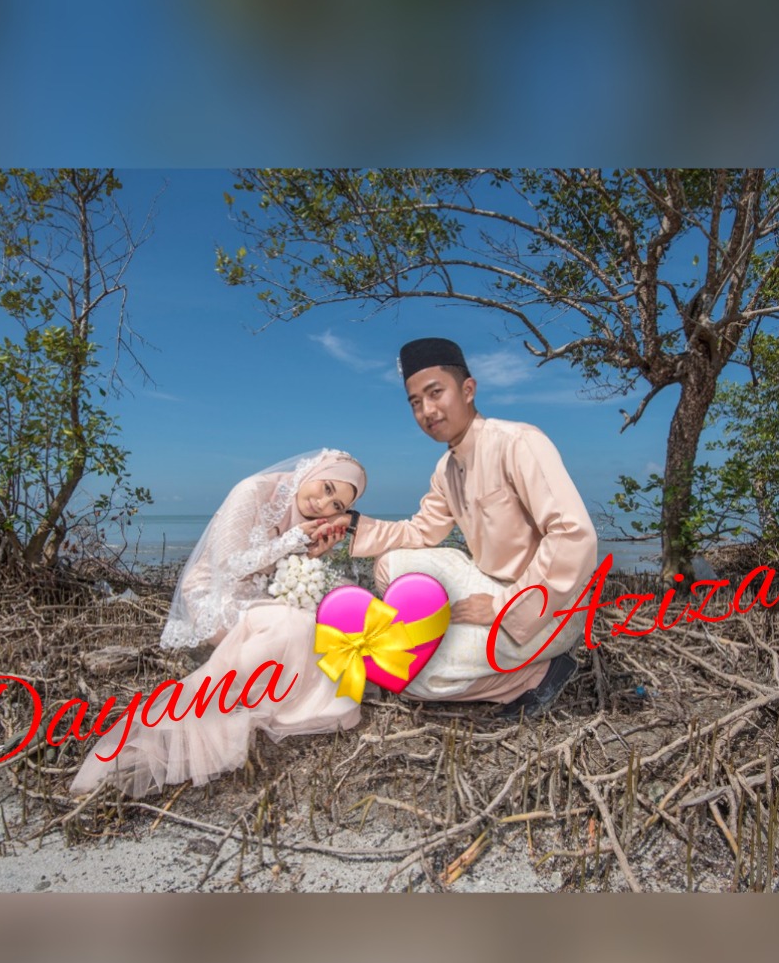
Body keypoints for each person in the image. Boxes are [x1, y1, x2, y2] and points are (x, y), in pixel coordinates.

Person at [320, 337, 597, 718]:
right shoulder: (446, 469)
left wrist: (503, 606)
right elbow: (421, 532)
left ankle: (539, 674)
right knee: (390, 564)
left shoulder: (518, 442)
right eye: (415, 402)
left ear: (468, 390)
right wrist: (351, 524)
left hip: (549, 608)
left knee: (415, 678)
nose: (427, 411)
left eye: (436, 393)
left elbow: (573, 534)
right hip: (489, 584)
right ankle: (435, 638)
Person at [70, 450, 367, 798]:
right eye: (327, 487)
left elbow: (276, 569)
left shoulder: (306, 518)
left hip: (260, 594)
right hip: (215, 595)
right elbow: (228, 566)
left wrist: (311, 553)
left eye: (336, 505)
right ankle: (199, 714)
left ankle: (268, 699)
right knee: (294, 625)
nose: (323, 503)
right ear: (314, 470)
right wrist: (293, 539)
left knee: (330, 614)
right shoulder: (252, 490)